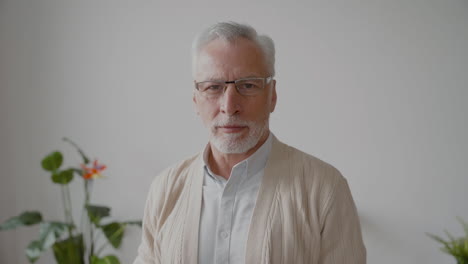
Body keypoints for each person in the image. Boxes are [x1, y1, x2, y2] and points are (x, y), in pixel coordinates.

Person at [133, 21, 366, 264]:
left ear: (272, 95)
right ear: (195, 100)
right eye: (213, 87)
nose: (229, 107)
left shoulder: (324, 189)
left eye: (247, 85)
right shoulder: (165, 189)